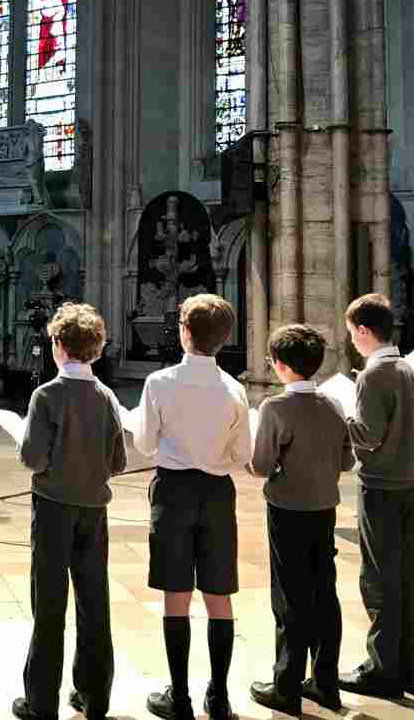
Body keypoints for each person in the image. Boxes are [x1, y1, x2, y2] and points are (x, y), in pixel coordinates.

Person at [126, 294, 250, 720]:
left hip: (173, 492)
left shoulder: (159, 383)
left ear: (182, 332)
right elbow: (243, 455)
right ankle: (219, 698)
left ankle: (178, 698)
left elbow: (143, 444)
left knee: (176, 594)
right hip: (217, 493)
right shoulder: (235, 389)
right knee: (219, 595)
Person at [11, 303, 126, 720]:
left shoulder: (47, 395)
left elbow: (33, 459)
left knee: (49, 603)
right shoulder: (107, 396)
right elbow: (118, 463)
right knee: (94, 602)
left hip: (54, 507)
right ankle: (94, 696)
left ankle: (41, 702)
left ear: (58, 345)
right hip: (94, 510)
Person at [248, 324, 355, 716]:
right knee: (324, 592)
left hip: (288, 509)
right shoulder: (333, 406)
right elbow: (347, 460)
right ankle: (325, 682)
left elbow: (260, 467)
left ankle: (287, 685)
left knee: (290, 598)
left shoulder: (275, 408)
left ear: (279, 365)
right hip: (324, 507)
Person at [339, 293, 414, 701]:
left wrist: (339, 414)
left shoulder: (374, 374)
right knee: (403, 579)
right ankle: (402, 666)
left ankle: (382, 669)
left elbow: (368, 435)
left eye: (351, 334)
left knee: (380, 581)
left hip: (382, 486)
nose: (351, 342)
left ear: (362, 330)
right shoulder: (407, 368)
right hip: (406, 484)